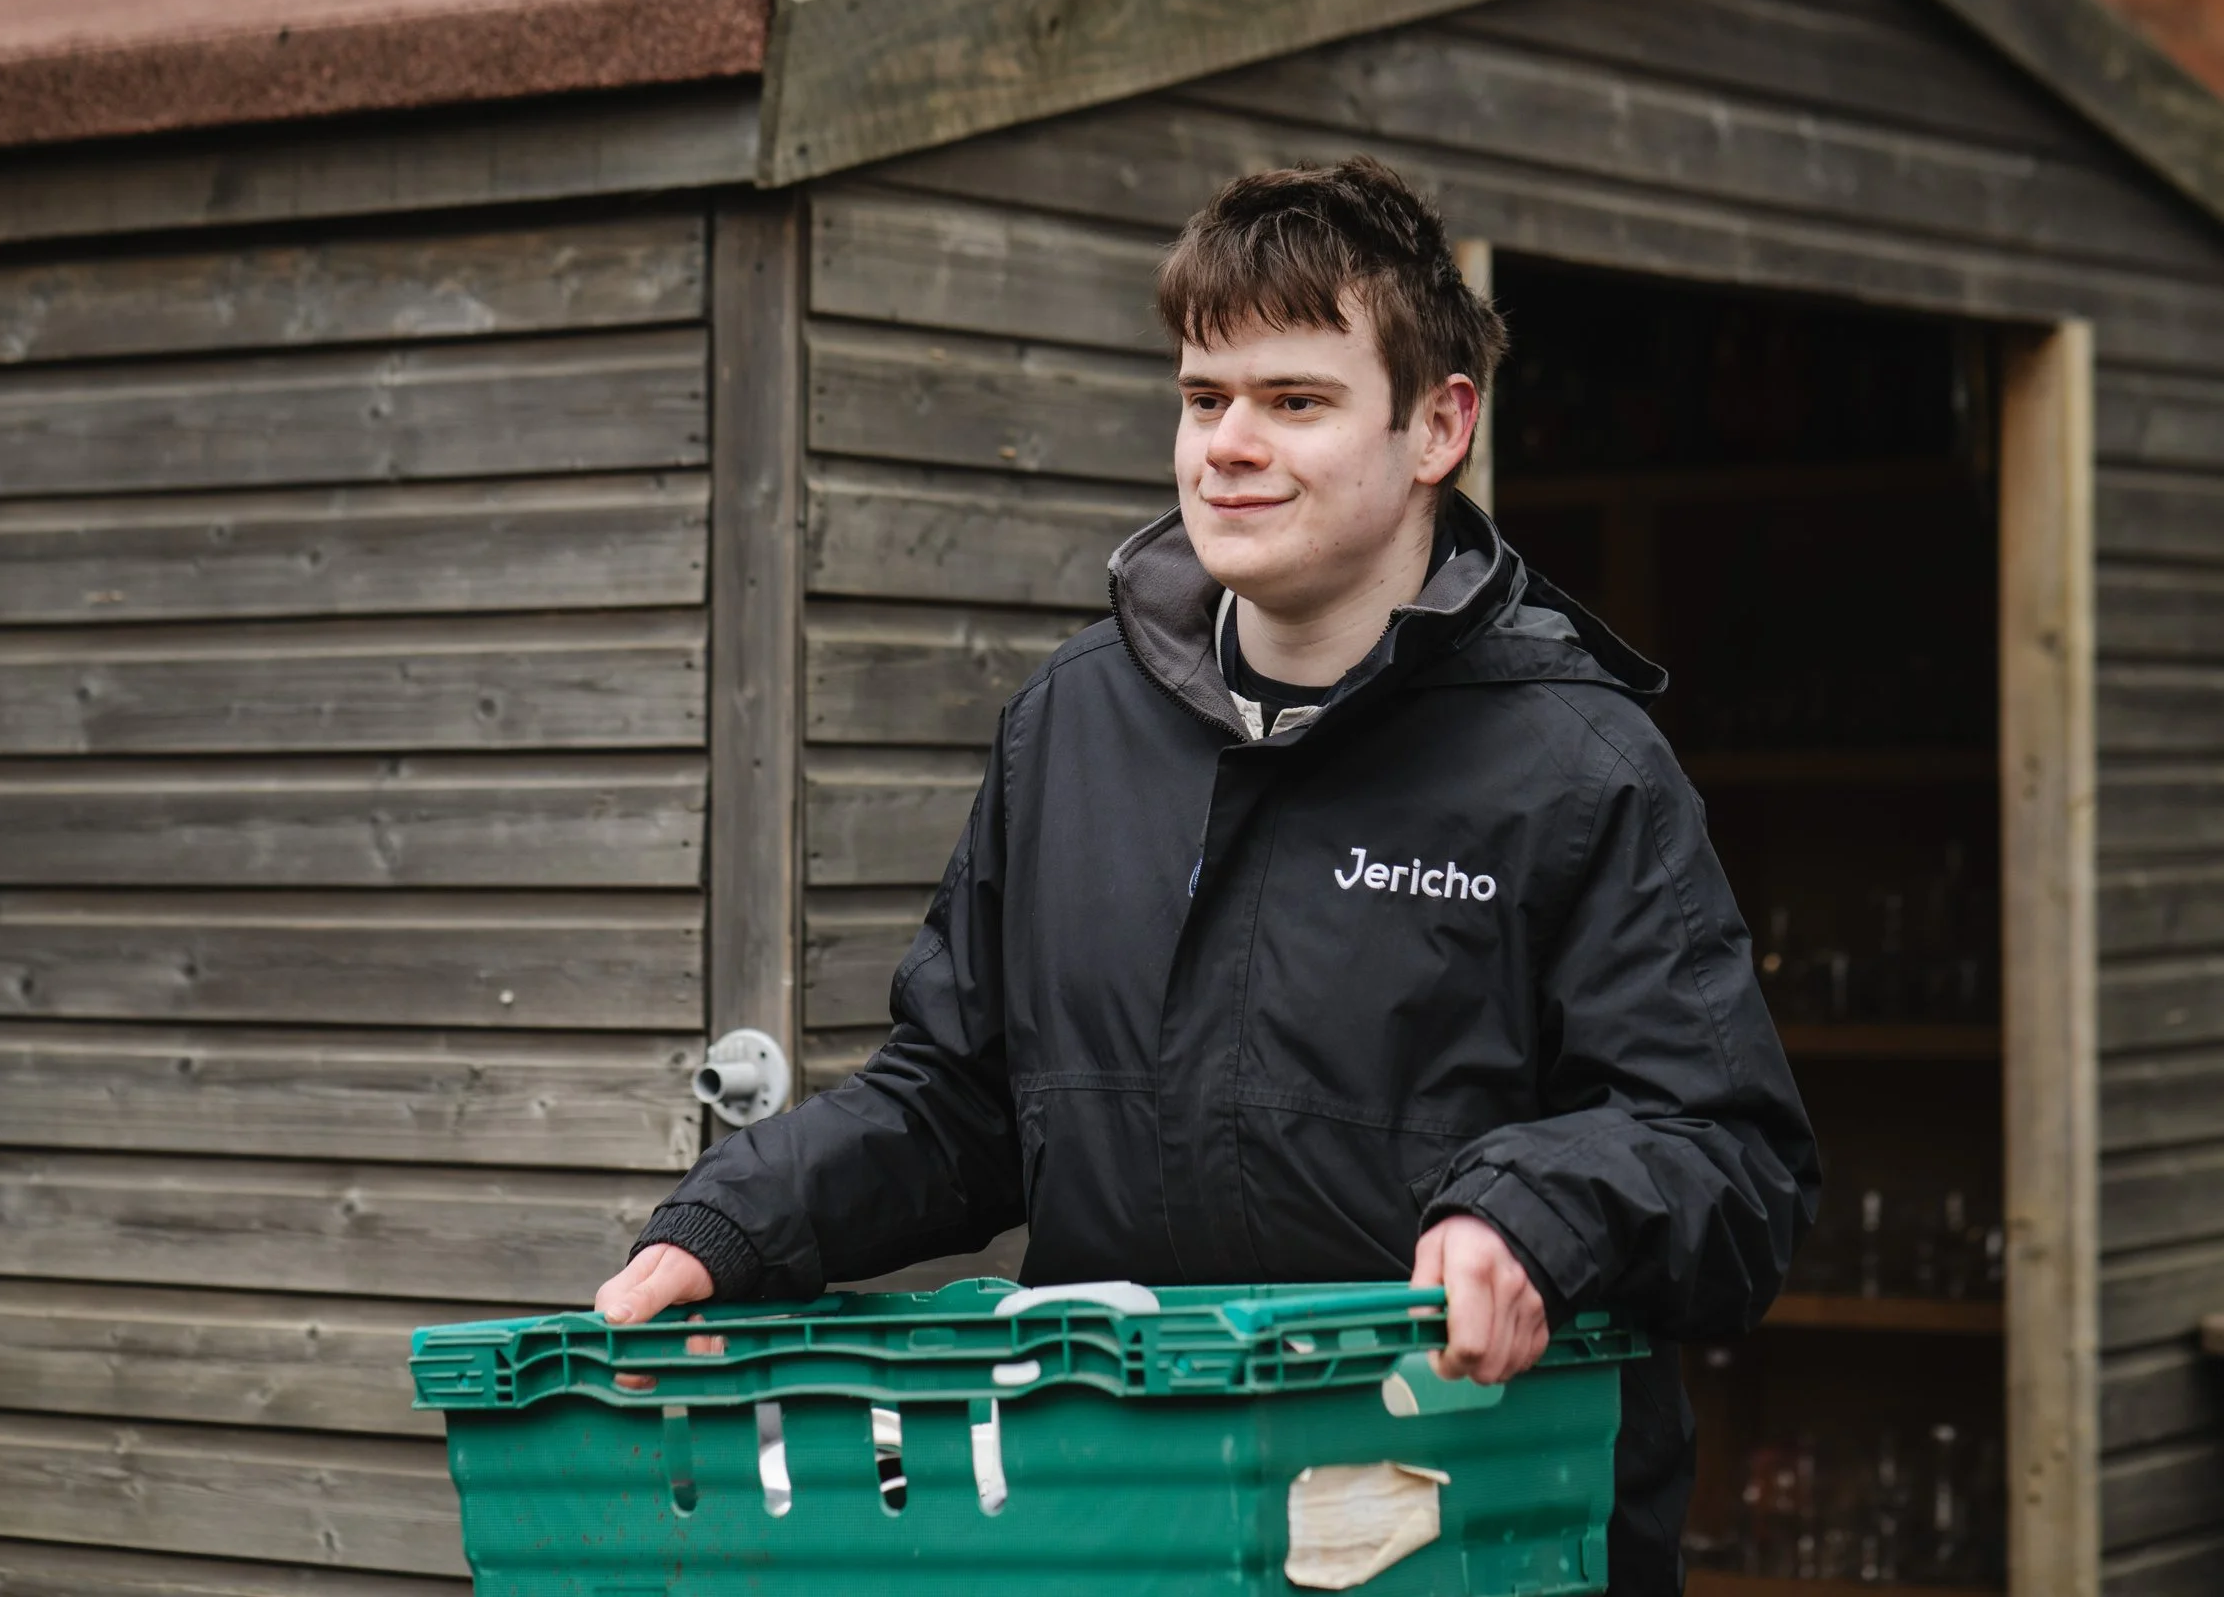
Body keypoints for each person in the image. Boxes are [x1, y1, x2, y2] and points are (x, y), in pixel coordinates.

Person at [594, 157, 1819, 1591]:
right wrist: (736, 1221)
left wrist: (1529, 1214)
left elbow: (1732, 1161)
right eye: (1203, 397)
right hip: (1123, 1534)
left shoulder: (1578, 762)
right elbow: (958, 1102)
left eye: (1294, 401)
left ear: (1439, 425)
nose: (1228, 445)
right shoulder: (1071, 726)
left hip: (1467, 1539)